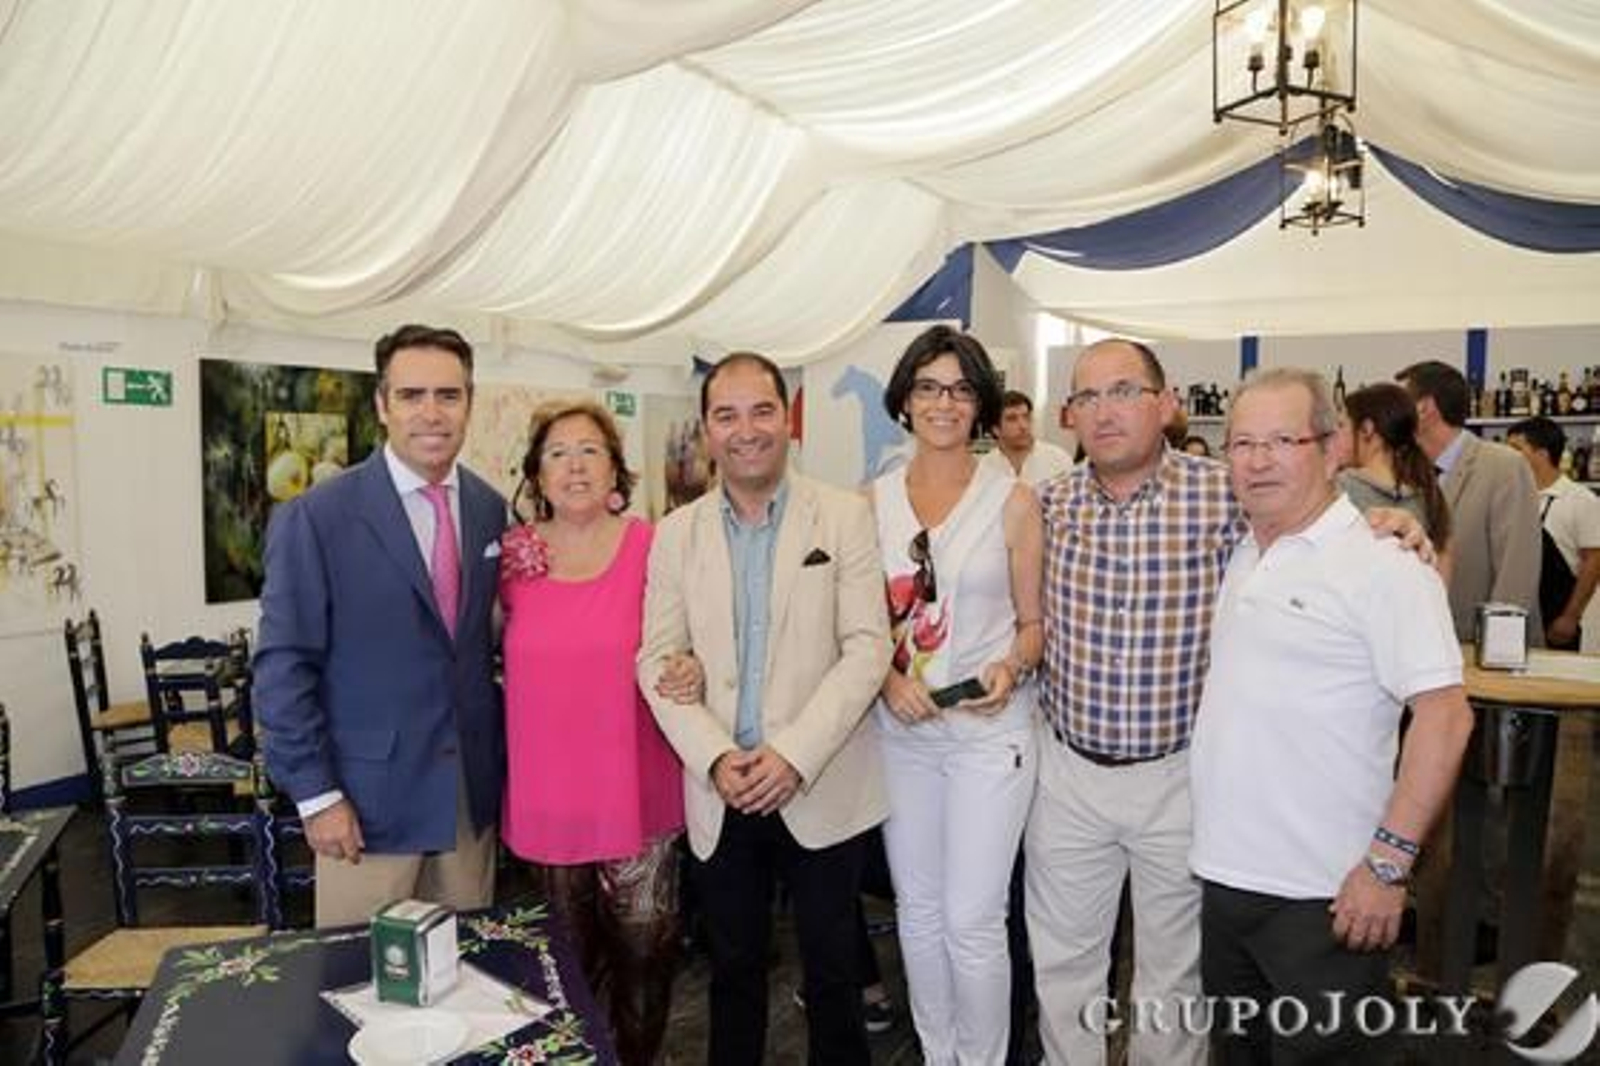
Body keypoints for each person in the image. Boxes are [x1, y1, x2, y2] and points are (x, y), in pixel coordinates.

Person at [1028, 338, 1430, 1066]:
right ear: (1069, 416)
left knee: (1174, 981)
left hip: (1180, 778)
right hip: (1069, 776)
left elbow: (1318, 513)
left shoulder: (1225, 492)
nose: (1105, 411)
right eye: (1087, 397)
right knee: (1061, 966)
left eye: (1124, 391)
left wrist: (1396, 526)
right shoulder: (1046, 506)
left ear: (1167, 402)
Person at [1191, 368, 1473, 1063]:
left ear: (1331, 446)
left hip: (1326, 897)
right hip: (1226, 882)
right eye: (1241, 443)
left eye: (1282, 440)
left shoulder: (1384, 563)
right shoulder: (1243, 551)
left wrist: (1387, 866)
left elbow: (1445, 718)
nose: (1258, 460)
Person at [638, 351, 891, 1066]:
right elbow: (656, 659)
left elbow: (868, 647)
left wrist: (793, 756)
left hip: (821, 782)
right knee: (733, 974)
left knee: (836, 975)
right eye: (727, 415)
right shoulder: (675, 533)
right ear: (707, 429)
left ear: (788, 418)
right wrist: (718, 757)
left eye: (761, 411)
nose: (745, 430)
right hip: (722, 791)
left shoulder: (842, 516)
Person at [256, 324, 506, 928]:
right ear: (381, 405)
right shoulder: (316, 517)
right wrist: (317, 797)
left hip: (466, 807)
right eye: (411, 395)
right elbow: (283, 668)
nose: (431, 413)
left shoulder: (488, 508)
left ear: (469, 402)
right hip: (363, 810)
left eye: (448, 395)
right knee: (362, 988)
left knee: (469, 982)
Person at [500, 400, 695, 1065]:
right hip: (550, 800)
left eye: (590, 449)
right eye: (557, 453)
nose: (574, 465)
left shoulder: (653, 544)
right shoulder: (513, 560)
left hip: (638, 792)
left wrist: (689, 665)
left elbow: (688, 638)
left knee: (645, 966)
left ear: (615, 467)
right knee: (567, 969)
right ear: (536, 474)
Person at [871, 325, 1043, 1064]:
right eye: (929, 386)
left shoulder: (1014, 500)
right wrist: (885, 676)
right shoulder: (867, 502)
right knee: (917, 913)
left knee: (973, 919)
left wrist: (1012, 667)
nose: (944, 402)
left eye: (961, 388)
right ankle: (939, 1055)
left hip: (988, 734)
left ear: (980, 404)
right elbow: (853, 624)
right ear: (906, 399)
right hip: (899, 734)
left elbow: (1034, 626)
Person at [1396, 360, 1541, 640]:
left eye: (1400, 402)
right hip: (1421, 646)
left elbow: (1517, 568)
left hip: (1479, 647)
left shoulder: (1503, 466)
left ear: (1424, 408)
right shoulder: (1405, 470)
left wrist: (1498, 646)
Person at [1505, 416, 1600, 651]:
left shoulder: (1580, 500)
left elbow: (1594, 561)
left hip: (1558, 616)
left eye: (1515, 449)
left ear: (1542, 454)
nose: (1506, 457)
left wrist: (1570, 617)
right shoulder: (1509, 496)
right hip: (1516, 613)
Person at [1335, 382, 1453, 565]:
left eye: (1341, 425)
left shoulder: (1339, 489)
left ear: (1367, 429)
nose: (1334, 436)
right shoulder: (1430, 492)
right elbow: (1442, 572)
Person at [980, 389, 1073, 487]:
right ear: (996, 429)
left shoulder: (1059, 460)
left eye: (1026, 417)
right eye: (1012, 419)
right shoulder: (985, 466)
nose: (1023, 426)